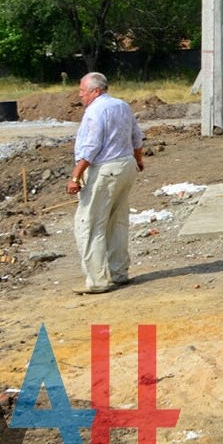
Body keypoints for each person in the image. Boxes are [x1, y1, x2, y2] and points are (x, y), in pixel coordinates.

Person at [67, 72, 144, 295]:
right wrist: (138, 160)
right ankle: (119, 273)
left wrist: (75, 176)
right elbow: (136, 136)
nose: (80, 95)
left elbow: (91, 147)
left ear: (96, 91)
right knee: (117, 222)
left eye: (82, 91)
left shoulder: (95, 111)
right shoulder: (122, 106)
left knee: (89, 225)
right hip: (126, 166)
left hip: (105, 170)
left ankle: (97, 281)